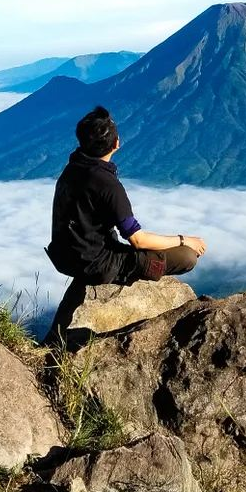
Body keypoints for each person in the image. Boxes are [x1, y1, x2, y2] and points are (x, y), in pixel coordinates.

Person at [42, 106, 206, 345]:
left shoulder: (71, 169)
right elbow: (137, 239)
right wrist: (184, 240)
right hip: (98, 263)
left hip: (66, 256)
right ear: (116, 143)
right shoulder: (107, 184)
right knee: (187, 257)